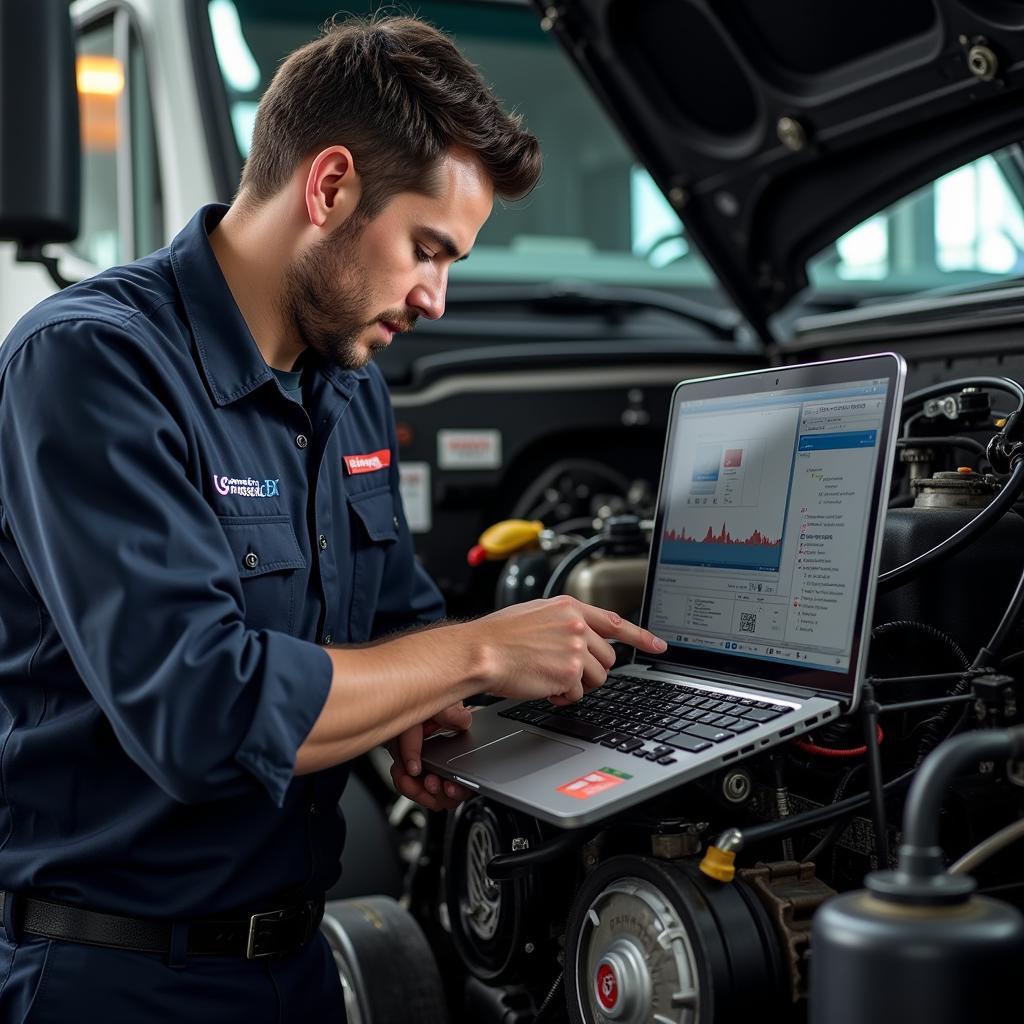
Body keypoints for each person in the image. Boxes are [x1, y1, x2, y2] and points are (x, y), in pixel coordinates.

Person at [0, 14, 666, 1022]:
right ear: (330, 186)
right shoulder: (93, 364)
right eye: (426, 249)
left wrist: (430, 717)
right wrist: (478, 656)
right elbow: (201, 710)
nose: (435, 299)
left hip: (302, 961)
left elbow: (394, 619)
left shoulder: (344, 382)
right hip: (114, 977)